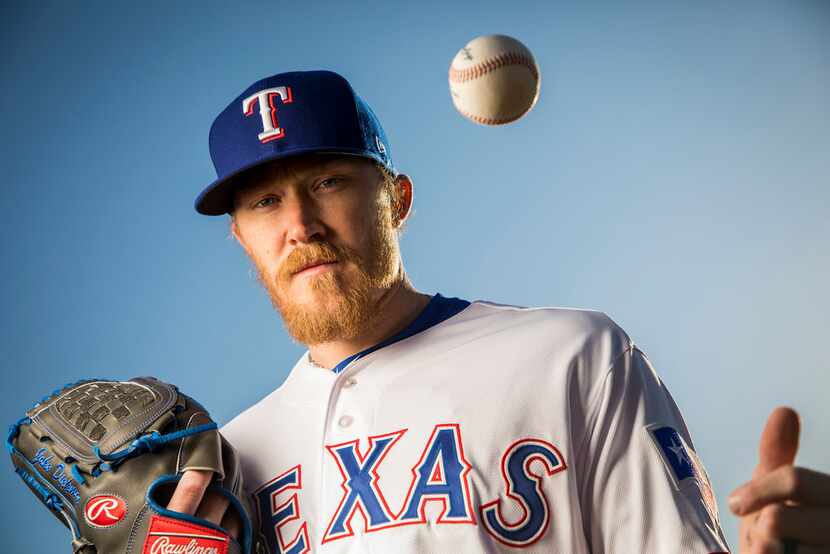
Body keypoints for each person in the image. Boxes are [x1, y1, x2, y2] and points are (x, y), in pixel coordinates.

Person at [166, 70, 829, 553]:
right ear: (241, 237)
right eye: (264, 203)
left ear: (396, 200)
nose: (300, 225)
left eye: (328, 183)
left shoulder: (572, 355)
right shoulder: (226, 463)